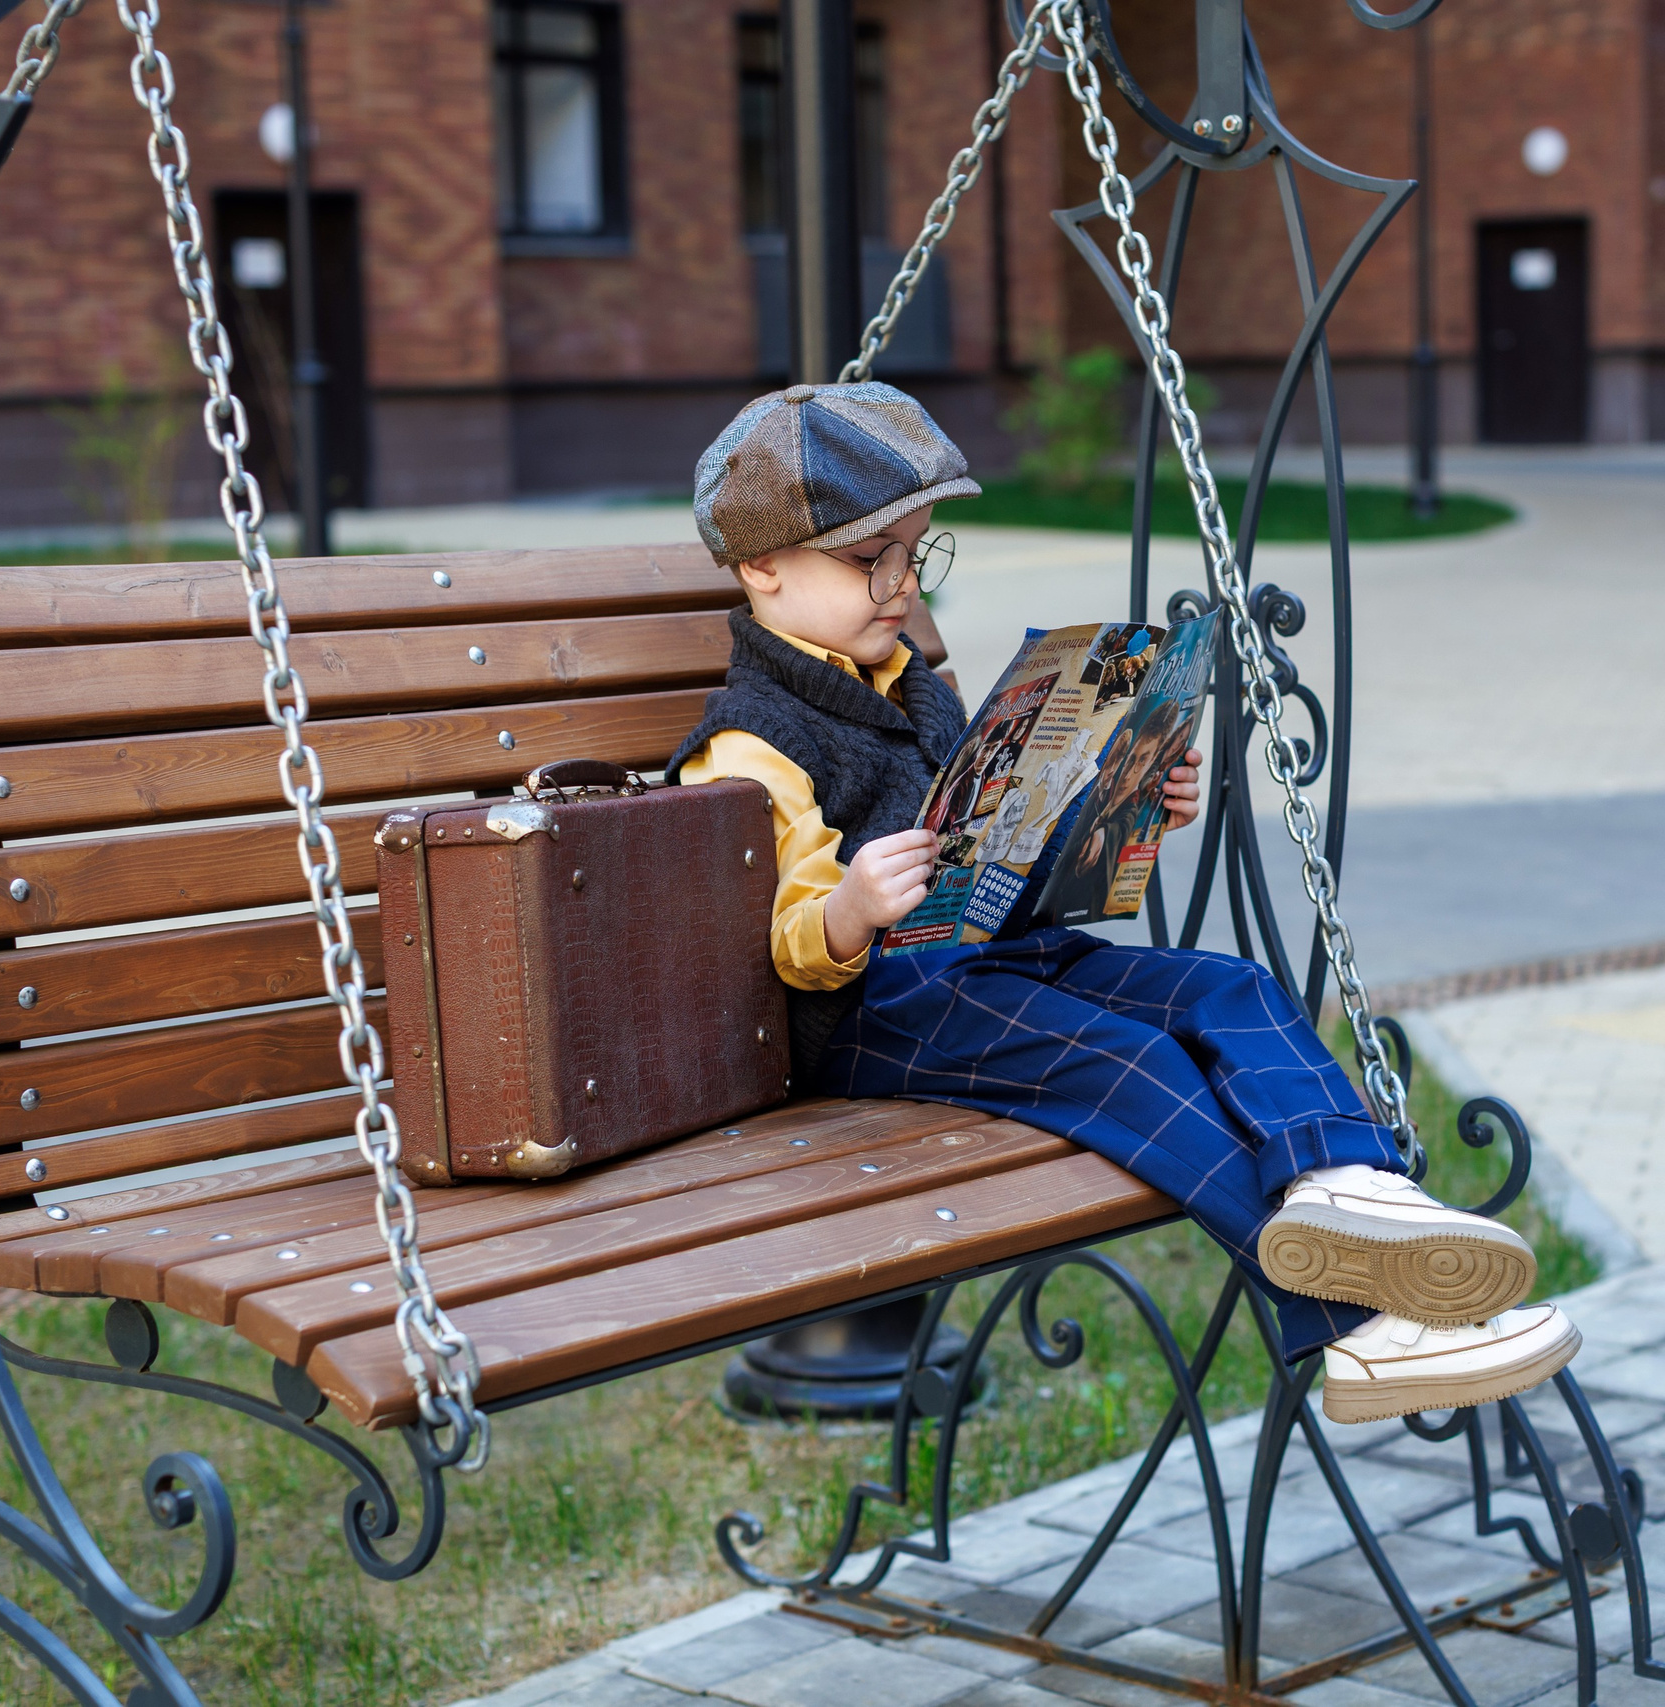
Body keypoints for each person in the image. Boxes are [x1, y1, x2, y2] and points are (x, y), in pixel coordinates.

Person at [668, 381, 1577, 1423]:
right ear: (762, 568)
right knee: (1130, 1061)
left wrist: (1129, 800)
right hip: (879, 1013)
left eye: (916, 553)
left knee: (1228, 989)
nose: (900, 581)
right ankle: (1361, 1331)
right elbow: (782, 939)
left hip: (991, 961)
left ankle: (1358, 1198)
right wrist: (853, 909)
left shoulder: (914, 682)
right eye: (868, 558)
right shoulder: (748, 738)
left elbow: (996, 835)